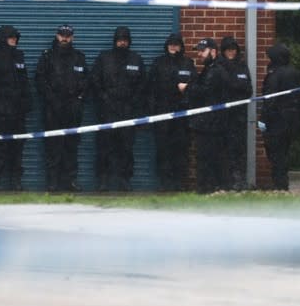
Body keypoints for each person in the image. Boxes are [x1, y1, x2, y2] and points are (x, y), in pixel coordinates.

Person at [90, 26, 146, 192]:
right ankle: (103, 180)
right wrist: (103, 98)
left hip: (128, 111)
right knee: (104, 147)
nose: (122, 43)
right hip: (107, 110)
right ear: (115, 40)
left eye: (125, 40)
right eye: (120, 39)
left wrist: (135, 100)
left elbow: (143, 83)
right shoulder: (104, 58)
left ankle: (124, 180)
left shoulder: (136, 59)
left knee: (126, 148)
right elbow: (94, 80)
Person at [35, 24, 88, 193]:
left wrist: (79, 98)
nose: (64, 38)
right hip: (53, 109)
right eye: (62, 35)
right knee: (53, 147)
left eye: (68, 35)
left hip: (73, 109)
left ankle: (70, 181)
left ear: (73, 37)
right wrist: (52, 99)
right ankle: (52, 183)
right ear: (57, 36)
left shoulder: (79, 57)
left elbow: (87, 81)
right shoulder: (47, 57)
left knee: (71, 146)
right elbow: (39, 80)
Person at [0, 25, 32, 191]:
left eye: (16, 38)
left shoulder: (19, 56)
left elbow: (24, 81)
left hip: (18, 111)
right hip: (0, 110)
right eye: (11, 37)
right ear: (3, 38)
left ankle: (15, 181)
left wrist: (27, 102)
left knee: (17, 147)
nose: (14, 40)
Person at [147, 33, 196, 192]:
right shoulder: (158, 63)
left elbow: (195, 86)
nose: (173, 47)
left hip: (182, 114)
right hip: (162, 112)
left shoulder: (188, 63)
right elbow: (150, 88)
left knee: (181, 148)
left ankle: (179, 182)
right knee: (163, 149)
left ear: (181, 46)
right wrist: (153, 110)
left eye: (176, 44)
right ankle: (164, 182)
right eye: (171, 44)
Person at [258, 43, 300, 191]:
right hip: (290, 118)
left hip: (277, 119)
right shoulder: (292, 72)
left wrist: (263, 118)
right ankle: (281, 183)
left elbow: (271, 98)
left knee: (276, 154)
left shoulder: (275, 73)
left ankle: (280, 184)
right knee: (283, 152)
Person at [188, 37, 227, 194]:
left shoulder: (216, 70)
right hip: (206, 123)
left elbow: (205, 92)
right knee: (204, 158)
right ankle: (206, 189)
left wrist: (187, 88)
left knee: (209, 158)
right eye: (198, 51)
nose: (199, 54)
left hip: (213, 125)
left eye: (202, 51)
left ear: (213, 51)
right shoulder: (209, 69)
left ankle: (209, 190)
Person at [216, 36, 253, 191]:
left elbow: (248, 90)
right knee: (223, 149)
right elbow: (221, 88)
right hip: (223, 116)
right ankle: (224, 181)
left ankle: (238, 180)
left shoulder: (242, 66)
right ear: (223, 51)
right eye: (228, 49)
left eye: (233, 49)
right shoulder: (218, 66)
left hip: (239, 116)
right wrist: (237, 86)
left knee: (238, 149)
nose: (231, 52)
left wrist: (234, 86)